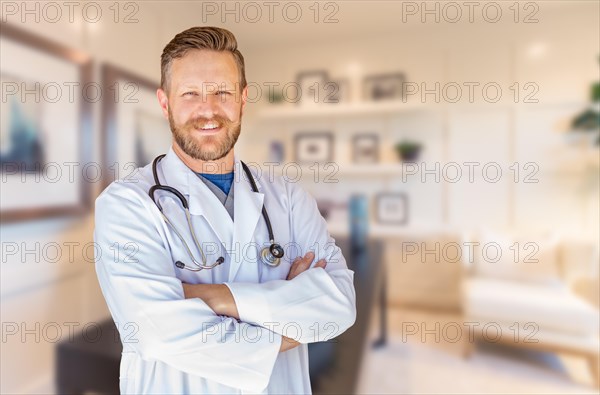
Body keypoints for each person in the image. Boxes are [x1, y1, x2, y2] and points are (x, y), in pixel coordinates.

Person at [94, 26, 356, 394]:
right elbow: (156, 330)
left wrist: (216, 297)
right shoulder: (127, 204)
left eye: (223, 92)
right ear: (165, 102)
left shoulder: (288, 197)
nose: (208, 109)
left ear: (243, 99)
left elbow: (339, 304)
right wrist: (292, 316)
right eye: (190, 94)